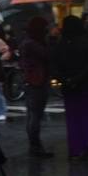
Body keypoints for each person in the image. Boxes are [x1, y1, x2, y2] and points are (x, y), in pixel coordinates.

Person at [50, 16, 88, 158]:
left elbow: (54, 67)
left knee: (73, 119)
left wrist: (65, 80)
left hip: (68, 88)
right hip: (86, 86)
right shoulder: (85, 42)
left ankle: (75, 148)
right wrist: (77, 79)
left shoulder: (61, 45)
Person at [18, 16, 55, 158]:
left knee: (33, 115)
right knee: (35, 115)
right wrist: (50, 40)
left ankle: (35, 146)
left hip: (33, 81)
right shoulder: (32, 43)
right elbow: (47, 55)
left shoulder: (28, 42)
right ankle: (35, 146)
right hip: (36, 82)